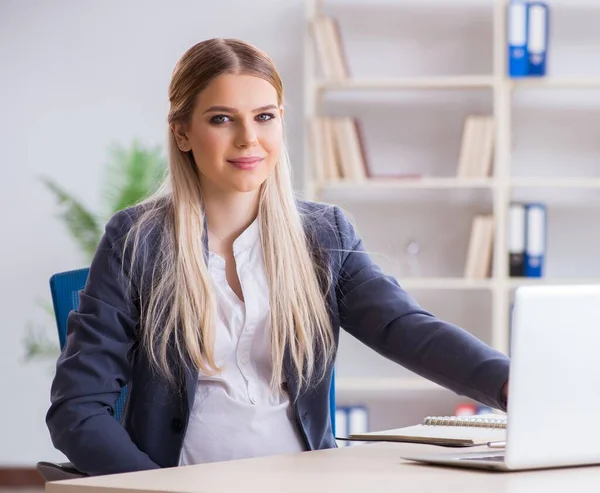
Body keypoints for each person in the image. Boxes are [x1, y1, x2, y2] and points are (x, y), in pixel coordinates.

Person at [46, 38, 510, 477]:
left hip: (304, 482)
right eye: (222, 119)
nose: (249, 138)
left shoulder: (323, 233)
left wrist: (515, 386)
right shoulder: (137, 240)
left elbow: (404, 328)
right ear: (182, 133)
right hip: (186, 481)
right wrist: (153, 487)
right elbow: (77, 408)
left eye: (264, 116)